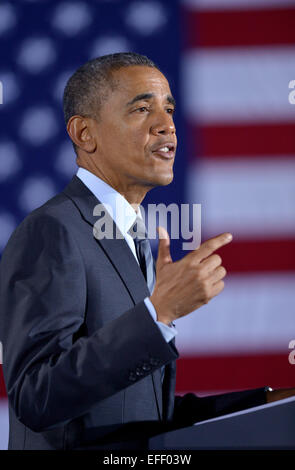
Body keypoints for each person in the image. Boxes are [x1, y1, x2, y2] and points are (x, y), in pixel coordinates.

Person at [0, 52, 293, 450]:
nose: (167, 125)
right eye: (142, 108)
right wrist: (159, 314)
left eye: (169, 109)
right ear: (85, 134)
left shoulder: (129, 236)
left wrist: (269, 402)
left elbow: (138, 415)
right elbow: (36, 397)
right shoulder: (52, 230)